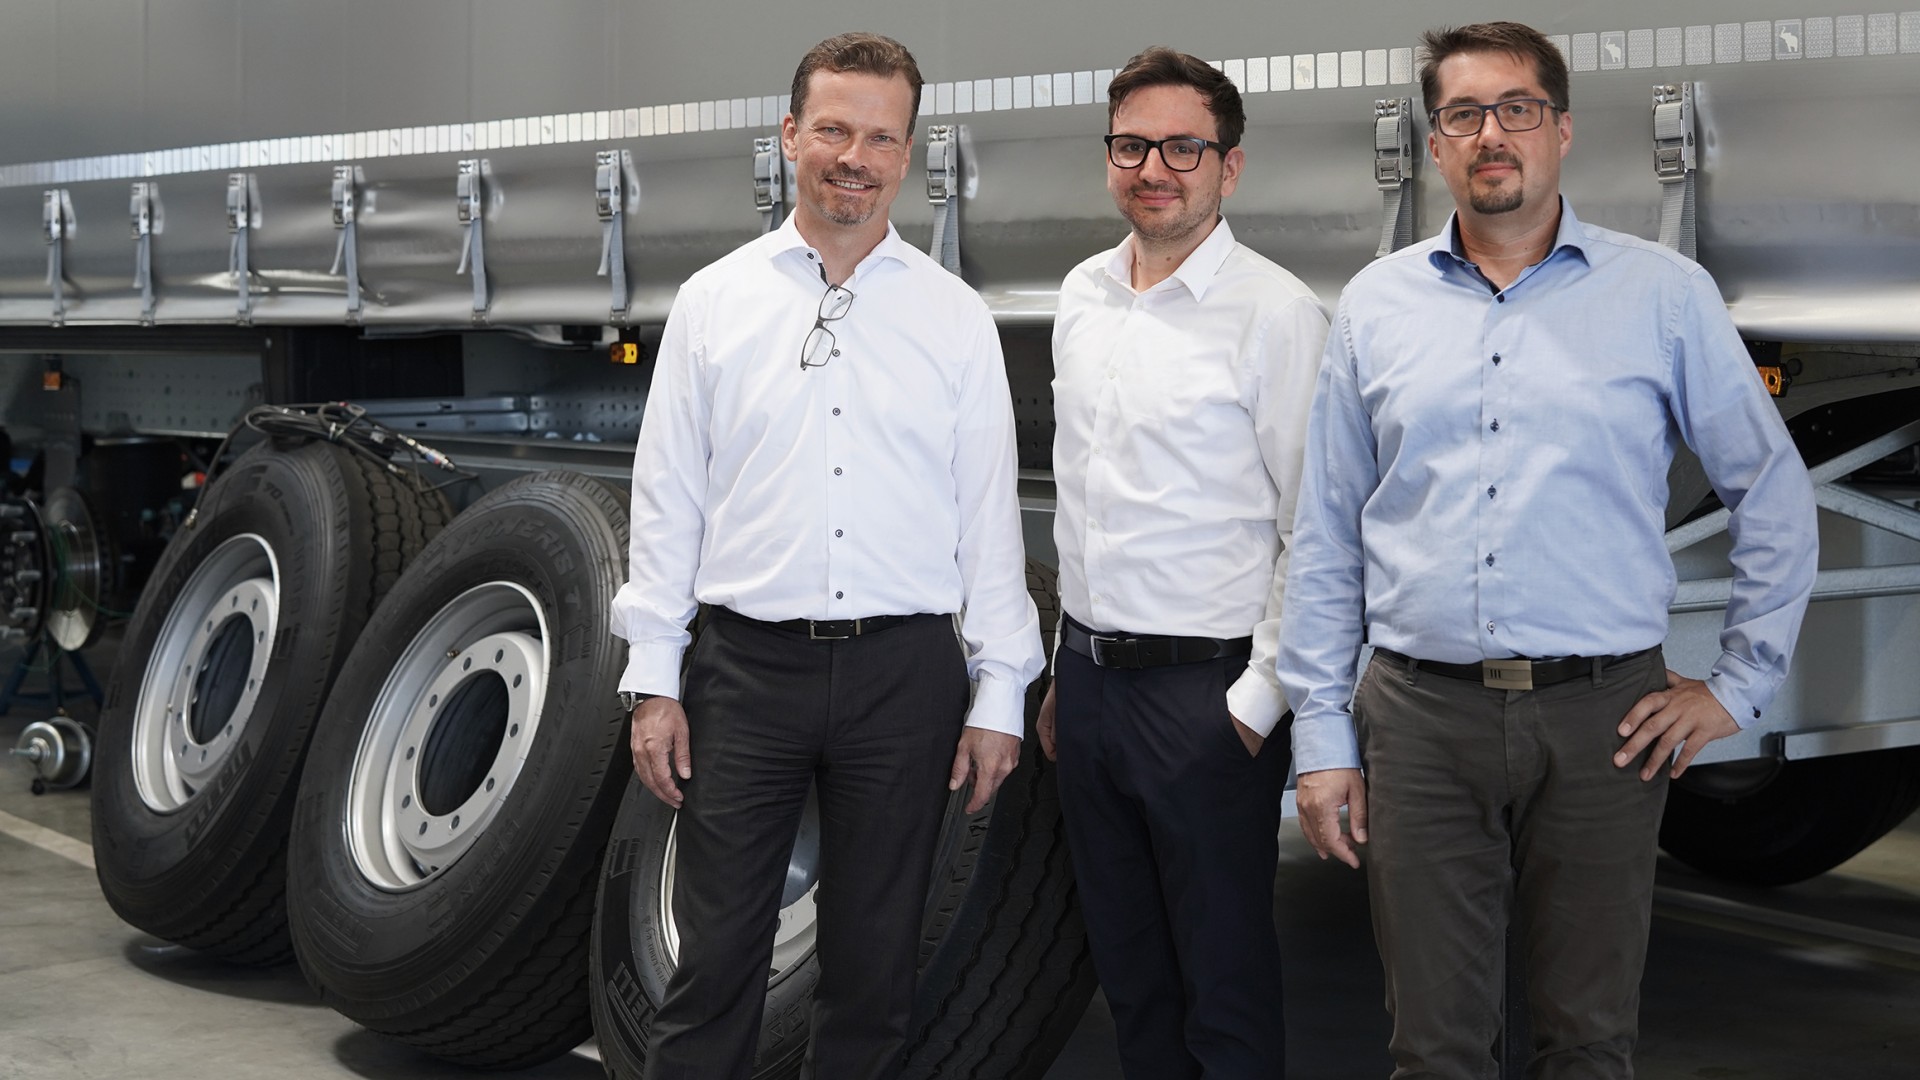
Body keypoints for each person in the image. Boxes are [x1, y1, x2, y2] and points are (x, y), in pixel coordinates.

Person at [1277, 20, 1819, 1079]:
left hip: (1605, 725)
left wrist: (1740, 686)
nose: (1493, 135)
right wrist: (1322, 736)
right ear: (1434, 143)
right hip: (1420, 722)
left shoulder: (1662, 296)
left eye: (1518, 109)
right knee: (1433, 1048)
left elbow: (1771, 488)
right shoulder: (1376, 307)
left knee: (1588, 1041)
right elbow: (1329, 532)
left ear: (1562, 130)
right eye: (1465, 114)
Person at [609, 32, 1043, 1080]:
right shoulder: (716, 301)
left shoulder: (953, 318)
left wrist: (998, 694)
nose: (856, 156)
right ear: (791, 135)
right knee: (713, 965)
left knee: (875, 970)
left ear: (909, 153)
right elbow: (666, 503)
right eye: (835, 130)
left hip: (906, 678)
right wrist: (654, 683)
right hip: (746, 673)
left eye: (881, 137)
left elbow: (988, 520)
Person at [1038, 46, 1328, 1079]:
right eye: (1130, 144)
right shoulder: (1081, 293)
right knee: (1131, 977)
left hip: (1205, 697)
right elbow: (1083, 499)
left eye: (1181, 146)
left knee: (1226, 982)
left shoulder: (1276, 313)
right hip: (1090, 685)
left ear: (1228, 166)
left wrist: (1256, 704)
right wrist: (1066, 666)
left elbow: (1319, 529)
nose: (1152, 166)